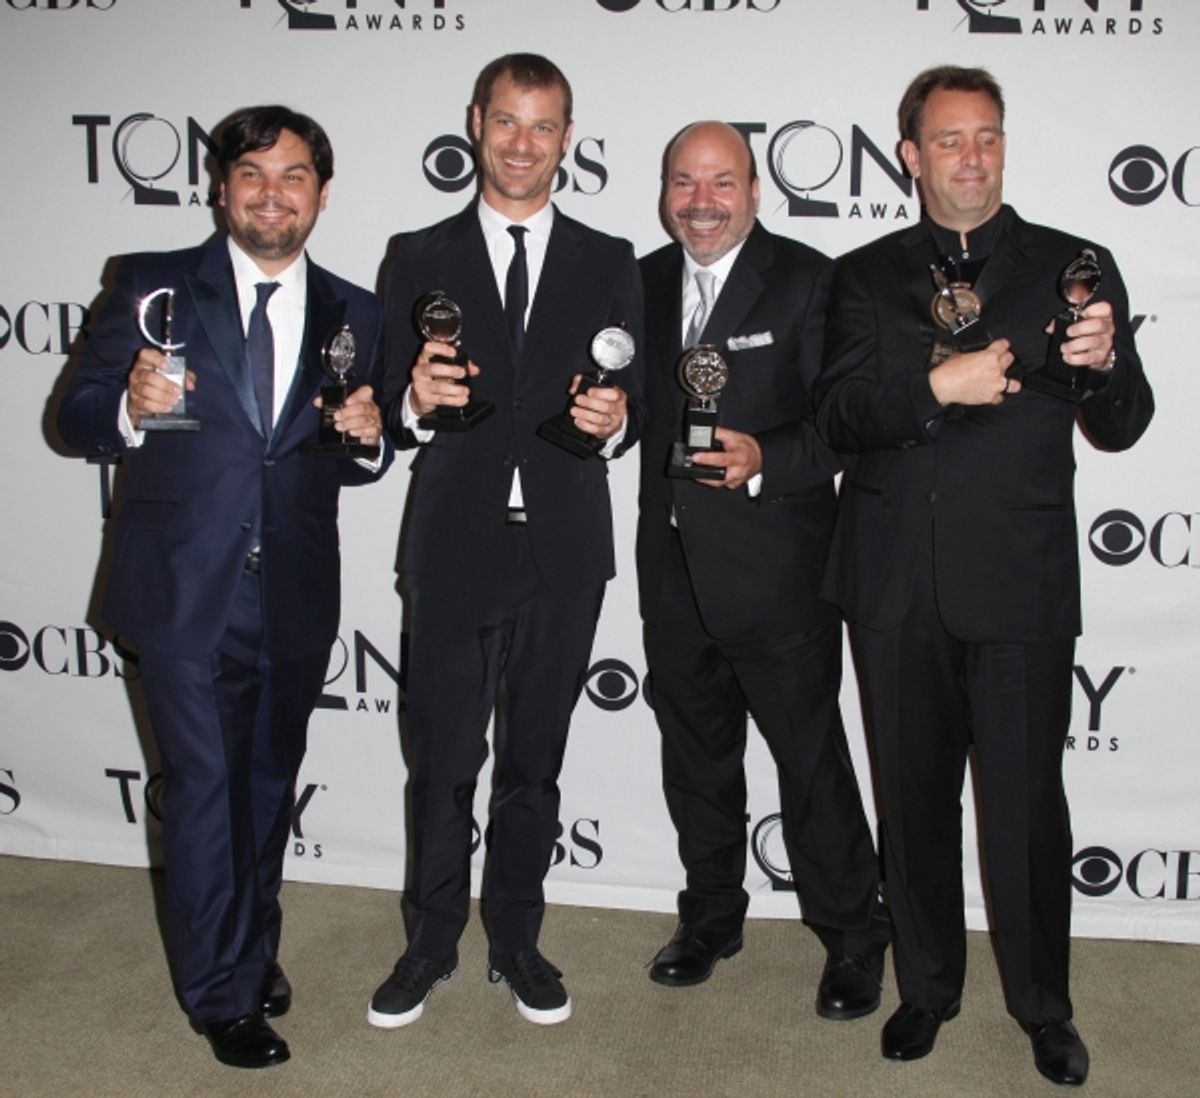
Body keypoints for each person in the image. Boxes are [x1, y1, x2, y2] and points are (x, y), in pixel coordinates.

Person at [815, 66, 1153, 1086]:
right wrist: (935, 386)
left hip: (1020, 582)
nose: (971, 156)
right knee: (911, 807)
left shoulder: (1073, 268)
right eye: (950, 140)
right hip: (893, 585)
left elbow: (1124, 422)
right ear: (911, 156)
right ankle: (927, 989)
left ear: (1003, 148)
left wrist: (1104, 367)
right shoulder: (863, 275)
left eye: (987, 137)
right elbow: (835, 419)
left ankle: (1044, 1007)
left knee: (1023, 807)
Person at [57, 105, 391, 1069]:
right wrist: (127, 404)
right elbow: (74, 418)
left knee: (265, 785)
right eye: (252, 174)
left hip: (290, 589)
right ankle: (222, 996)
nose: (272, 193)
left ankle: (248, 944)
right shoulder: (152, 284)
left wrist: (366, 435)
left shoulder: (354, 310)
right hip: (181, 590)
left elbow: (348, 453)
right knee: (205, 790)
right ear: (220, 188)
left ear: (321, 195)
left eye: (293, 177)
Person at [370, 53, 644, 1029]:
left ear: (567, 137)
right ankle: (430, 943)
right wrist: (410, 399)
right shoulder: (416, 255)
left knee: (535, 761)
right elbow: (381, 400)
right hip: (452, 543)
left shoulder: (610, 260)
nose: (523, 144)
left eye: (544, 126)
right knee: (444, 761)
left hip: (564, 549)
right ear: (476, 122)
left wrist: (618, 415)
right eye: (507, 122)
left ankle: (517, 941)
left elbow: (639, 396)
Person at [635, 121, 889, 1017]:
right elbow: (632, 410)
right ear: (664, 191)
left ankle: (855, 935)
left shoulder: (813, 279)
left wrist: (764, 458)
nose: (701, 202)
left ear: (755, 189)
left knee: (809, 760)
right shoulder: (643, 280)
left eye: (722, 183)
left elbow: (845, 422)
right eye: (683, 183)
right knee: (696, 756)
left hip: (778, 566)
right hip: (670, 565)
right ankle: (711, 915)